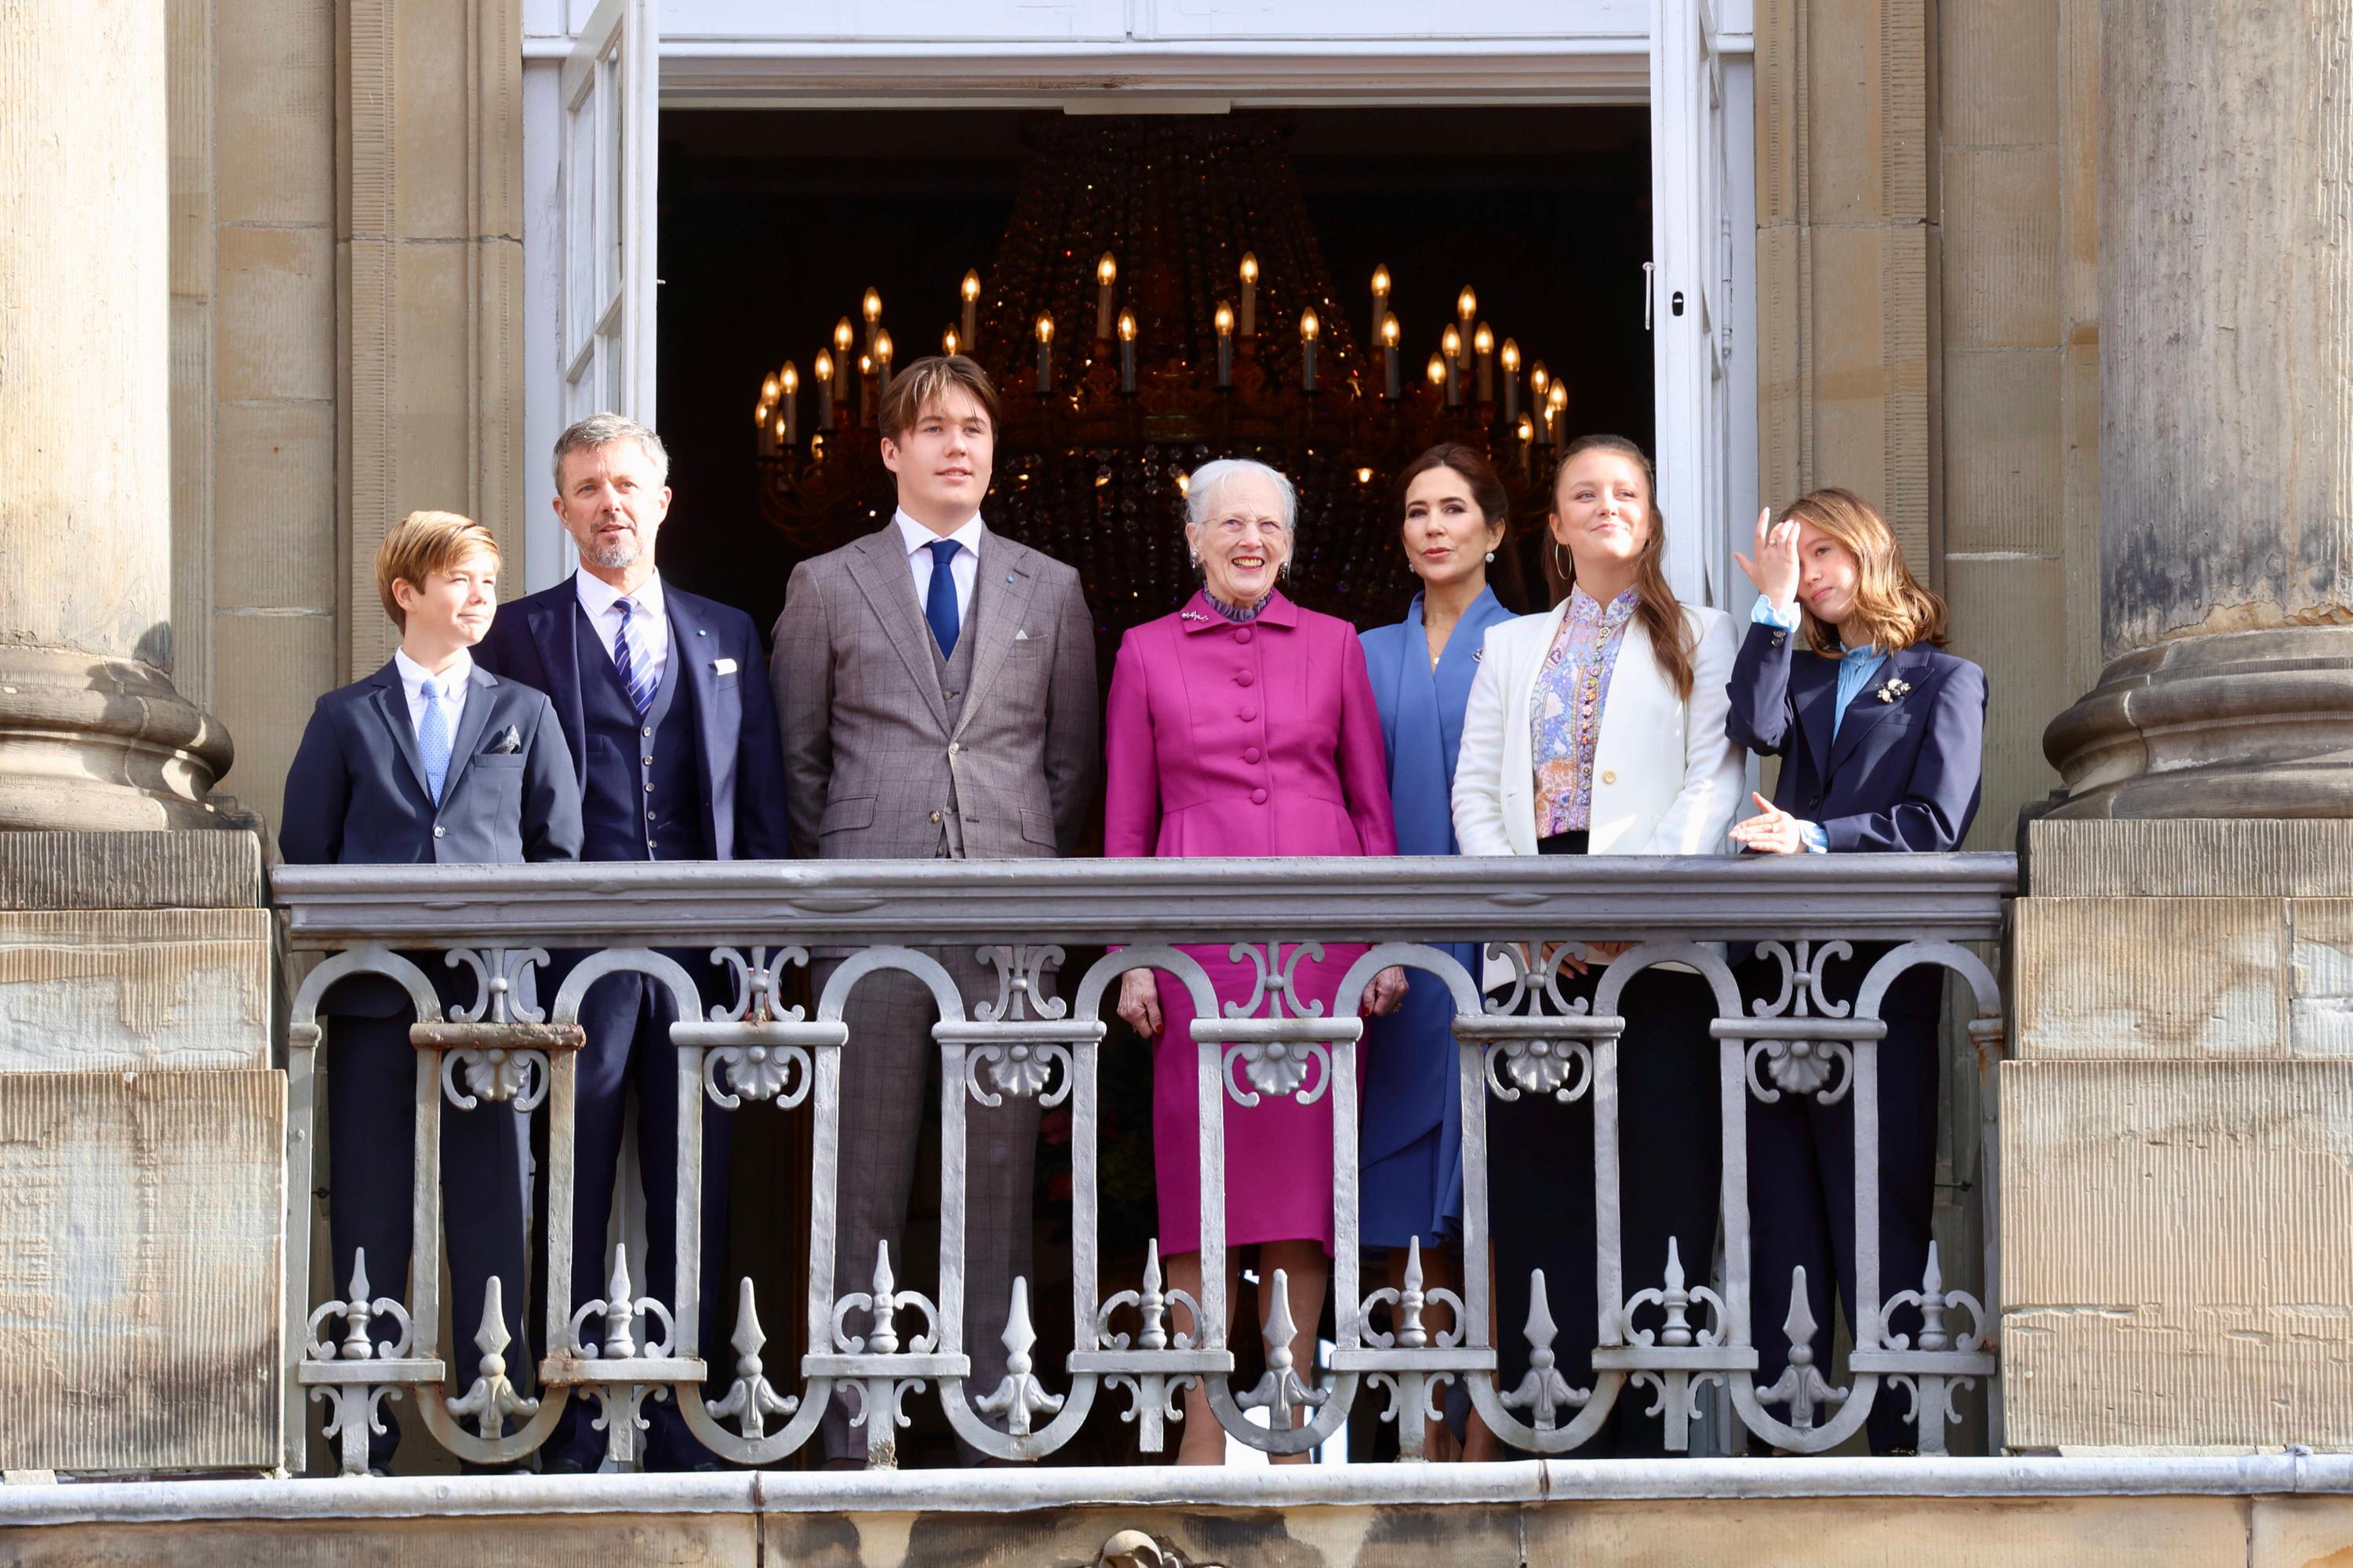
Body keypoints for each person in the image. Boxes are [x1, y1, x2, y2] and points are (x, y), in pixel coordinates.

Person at [769, 355, 1100, 1468]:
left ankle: (992, 1417)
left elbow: (1070, 768)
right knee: (857, 1169)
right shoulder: (826, 581)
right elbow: (798, 763)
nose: (958, 444)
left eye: (975, 427)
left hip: (1007, 919)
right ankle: (854, 1425)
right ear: (889, 450)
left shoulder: (1047, 588)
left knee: (999, 1172)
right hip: (867, 915)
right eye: (934, 427)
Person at [474, 413, 789, 1472]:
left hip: (702, 958)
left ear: (663, 500)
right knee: (569, 1181)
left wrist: (759, 963)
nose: (610, 503)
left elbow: (759, 812)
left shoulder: (727, 632)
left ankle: (686, 1415)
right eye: (588, 487)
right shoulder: (516, 634)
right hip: (572, 957)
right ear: (561, 510)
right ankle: (561, 1419)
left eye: (627, 485)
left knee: (693, 1186)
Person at [1106, 457, 1406, 1465]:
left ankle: (1288, 1419)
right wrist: (1131, 956)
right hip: (1197, 948)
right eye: (1229, 524)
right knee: (1203, 1186)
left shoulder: (1336, 646)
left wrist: (1381, 943)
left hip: (1321, 947)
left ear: (1290, 539)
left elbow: (1372, 806)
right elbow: (1125, 819)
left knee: (1307, 1193)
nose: (1250, 542)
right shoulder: (1144, 652)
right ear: (1192, 538)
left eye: (1269, 526)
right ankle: (1201, 1422)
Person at [1451, 433, 1743, 1456]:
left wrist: (1632, 901)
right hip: (1537, 967)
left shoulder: (1707, 634)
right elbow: (1477, 795)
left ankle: (1650, 1441)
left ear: (1650, 517)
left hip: (1656, 963)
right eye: (1588, 493)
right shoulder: (1511, 644)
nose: (1609, 504)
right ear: (1560, 521)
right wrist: (1536, 918)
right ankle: (1549, 1426)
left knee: (1663, 1193)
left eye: (1628, 492)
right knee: (1543, 1199)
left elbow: (1715, 784)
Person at [282, 510, 582, 1475]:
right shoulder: (344, 716)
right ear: (406, 591)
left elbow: (560, 856)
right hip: (375, 1005)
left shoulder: (525, 713)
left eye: (488, 579)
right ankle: (359, 1439)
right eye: (459, 576)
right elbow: (306, 851)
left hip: (495, 1010)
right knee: (370, 1210)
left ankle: (501, 1436)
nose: (480, 594)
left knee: (495, 1209)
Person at [1726, 486, 1986, 1453]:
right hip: (1769, 985)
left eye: (1830, 550)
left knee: (1881, 1226)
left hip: (1879, 988)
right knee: (1780, 1232)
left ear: (1875, 552)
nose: (1816, 568)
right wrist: (1771, 607)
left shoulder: (1945, 679)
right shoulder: (1792, 672)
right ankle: (1773, 1461)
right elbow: (1750, 728)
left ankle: (1903, 1459)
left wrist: (1812, 836)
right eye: (1801, 554)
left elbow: (1932, 826)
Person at [1355, 443, 1520, 1461]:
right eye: (1416, 509)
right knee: (1388, 1195)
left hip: (1496, 943)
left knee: (1489, 1192)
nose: (1432, 526)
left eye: (1454, 508)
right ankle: (1414, 1426)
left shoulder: (1537, 642)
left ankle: (1486, 1438)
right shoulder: (1359, 651)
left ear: (1496, 529)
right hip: (1386, 958)